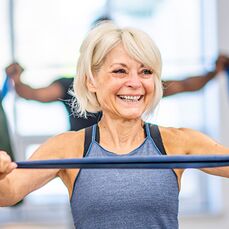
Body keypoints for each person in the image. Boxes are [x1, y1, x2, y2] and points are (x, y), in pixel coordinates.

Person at [1, 22, 229, 228]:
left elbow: (186, 84)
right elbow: (8, 192)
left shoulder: (178, 142)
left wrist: (214, 72)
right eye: (120, 71)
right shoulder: (68, 148)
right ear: (91, 80)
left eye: (146, 71)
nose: (134, 82)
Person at [5, 55, 228, 131]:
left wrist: (213, 72)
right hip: (84, 165)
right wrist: (16, 79)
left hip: (127, 161)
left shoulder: (136, 83)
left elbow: (184, 85)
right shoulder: (71, 85)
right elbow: (32, 94)